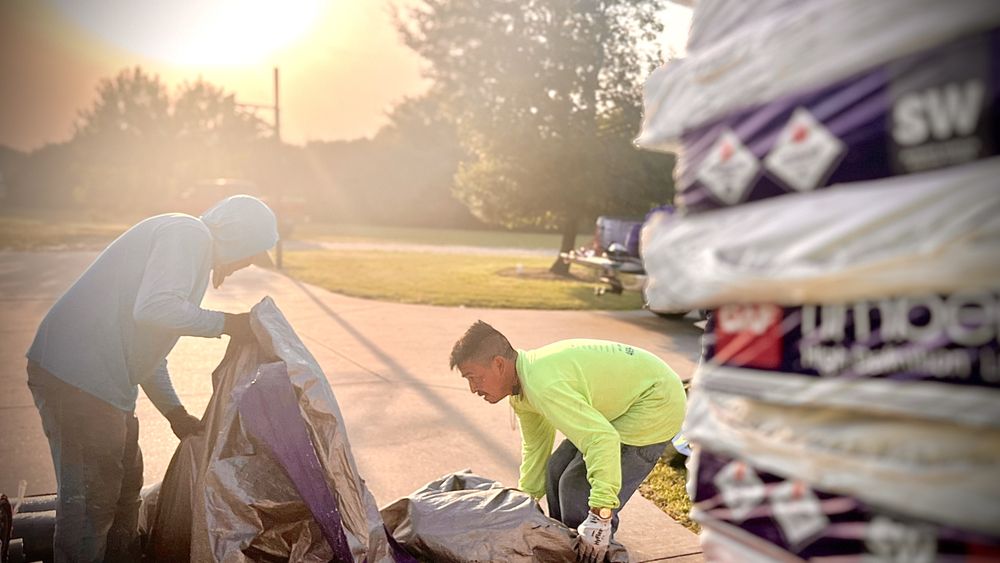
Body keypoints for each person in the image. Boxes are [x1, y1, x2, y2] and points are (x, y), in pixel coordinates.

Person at [25, 194, 279, 562]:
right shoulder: (189, 234)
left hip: (102, 386)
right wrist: (228, 324)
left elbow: (148, 352)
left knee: (126, 488)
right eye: (250, 254)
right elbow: (155, 309)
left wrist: (175, 412)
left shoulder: (189, 253)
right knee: (92, 502)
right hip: (78, 380)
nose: (246, 264)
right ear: (238, 238)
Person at [449, 321, 687, 563]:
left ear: (499, 364)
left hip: (656, 402)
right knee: (555, 470)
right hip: (623, 404)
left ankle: (599, 554)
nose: (473, 388)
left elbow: (601, 439)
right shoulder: (523, 389)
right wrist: (524, 502)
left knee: (576, 488)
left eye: (474, 377)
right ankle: (566, 551)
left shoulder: (544, 385)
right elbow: (536, 449)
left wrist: (600, 515)